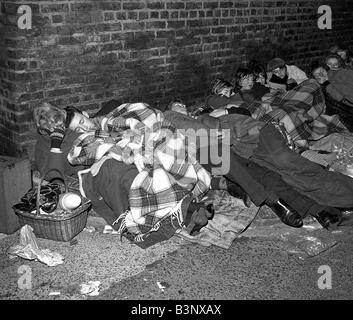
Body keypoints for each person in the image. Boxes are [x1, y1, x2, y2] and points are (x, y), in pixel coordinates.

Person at [33, 102, 215, 245]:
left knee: (154, 158)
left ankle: (188, 204)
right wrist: (56, 142)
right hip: (98, 167)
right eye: (55, 126)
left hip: (119, 151)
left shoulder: (77, 122)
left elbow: (108, 125)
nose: (61, 126)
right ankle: (189, 208)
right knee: (126, 176)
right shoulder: (46, 146)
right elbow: (54, 177)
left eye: (61, 121)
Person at [164, 102, 343, 229]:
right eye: (177, 105)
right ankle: (272, 201)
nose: (182, 107)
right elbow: (202, 137)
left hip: (240, 149)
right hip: (208, 153)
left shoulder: (205, 115)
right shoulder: (170, 118)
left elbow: (237, 117)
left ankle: (316, 209)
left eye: (183, 105)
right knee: (215, 153)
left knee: (269, 175)